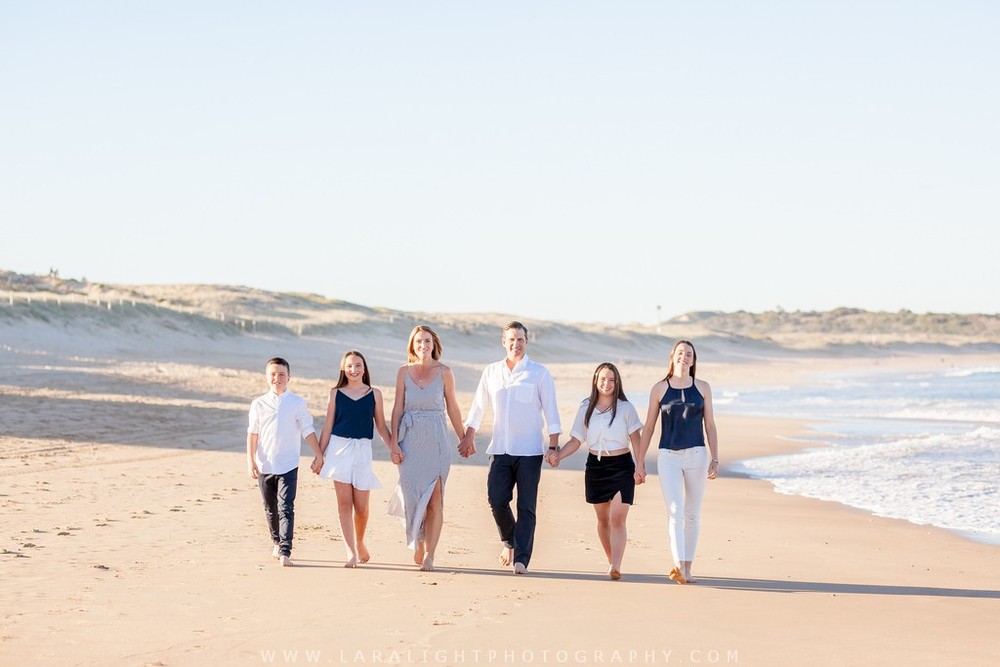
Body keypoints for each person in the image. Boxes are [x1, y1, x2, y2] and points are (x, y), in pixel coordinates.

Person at [459, 321, 561, 575]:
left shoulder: (539, 373)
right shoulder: (492, 372)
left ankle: (521, 559)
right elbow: (478, 407)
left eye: (521, 340)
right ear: (503, 342)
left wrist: (554, 446)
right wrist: (468, 435)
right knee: (496, 499)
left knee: (526, 507)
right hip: (501, 450)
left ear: (527, 342)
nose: (516, 344)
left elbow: (552, 412)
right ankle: (510, 542)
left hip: (530, 452)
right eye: (512, 339)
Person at [547, 362, 643, 580]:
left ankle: (616, 565)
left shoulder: (626, 408)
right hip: (596, 467)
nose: (607, 384)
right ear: (595, 381)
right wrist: (558, 455)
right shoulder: (586, 407)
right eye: (602, 379)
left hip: (622, 466)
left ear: (617, 382)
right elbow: (576, 440)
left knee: (618, 518)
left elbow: (635, 438)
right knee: (603, 520)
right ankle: (611, 560)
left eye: (611, 380)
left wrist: (640, 465)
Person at [635, 339, 719, 584]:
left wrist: (715, 458)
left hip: (697, 455)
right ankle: (677, 565)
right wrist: (640, 461)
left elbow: (710, 426)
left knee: (692, 513)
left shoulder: (703, 387)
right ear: (672, 357)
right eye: (680, 352)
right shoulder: (659, 389)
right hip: (668, 456)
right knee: (674, 511)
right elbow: (649, 428)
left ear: (693, 360)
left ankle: (688, 567)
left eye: (689, 354)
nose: (685, 357)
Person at [387, 325, 466, 572]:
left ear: (434, 344)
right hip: (410, 440)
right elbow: (397, 409)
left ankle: (430, 555)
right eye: (419, 341)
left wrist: (464, 438)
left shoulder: (445, 372)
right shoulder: (403, 372)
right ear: (412, 345)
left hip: (437, 439)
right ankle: (418, 540)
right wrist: (393, 443)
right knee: (411, 496)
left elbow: (452, 407)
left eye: (428, 341)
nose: (423, 345)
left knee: (435, 498)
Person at [317, 350, 396, 568]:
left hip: (362, 450)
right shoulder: (335, 393)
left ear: (364, 368)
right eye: (350, 366)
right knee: (344, 504)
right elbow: (327, 426)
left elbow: (381, 427)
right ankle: (350, 552)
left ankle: (360, 541)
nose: (354, 370)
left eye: (358, 365)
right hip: (338, 448)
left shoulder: (374, 394)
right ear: (343, 369)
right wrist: (319, 455)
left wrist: (394, 448)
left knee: (361, 507)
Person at [246, 357, 324, 567]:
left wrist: (318, 454)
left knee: (286, 507)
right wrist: (251, 460)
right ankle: (276, 541)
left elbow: (308, 429)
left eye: (281, 374)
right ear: (266, 377)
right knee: (270, 508)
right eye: (272, 374)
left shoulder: (297, 403)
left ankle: (285, 550)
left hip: (289, 464)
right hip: (265, 464)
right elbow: (253, 433)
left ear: (288, 377)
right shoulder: (258, 404)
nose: (277, 378)